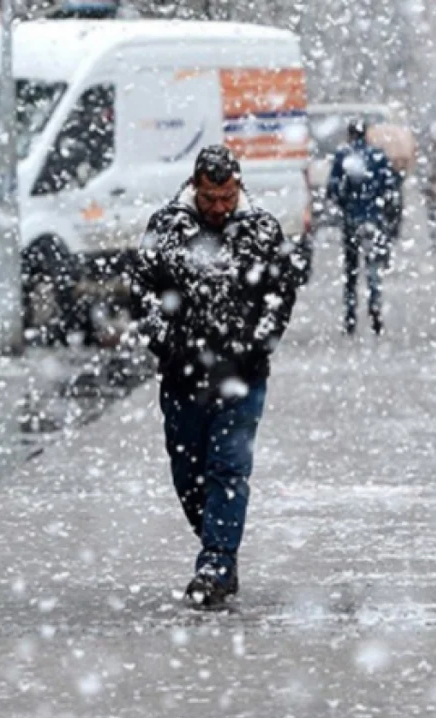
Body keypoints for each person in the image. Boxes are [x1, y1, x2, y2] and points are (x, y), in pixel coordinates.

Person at [130, 145, 303, 608]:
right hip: (184, 375)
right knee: (189, 474)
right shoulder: (166, 228)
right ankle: (217, 541)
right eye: (210, 199)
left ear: (238, 187)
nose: (219, 208)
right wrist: (165, 342)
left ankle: (216, 563)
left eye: (227, 198)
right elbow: (142, 289)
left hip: (241, 376)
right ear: (195, 188)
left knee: (228, 468)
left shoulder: (263, 230)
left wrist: (257, 345)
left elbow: (280, 296)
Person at [326, 120, 400, 336]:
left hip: (351, 219)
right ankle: (375, 310)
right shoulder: (378, 157)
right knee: (373, 267)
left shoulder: (343, 157)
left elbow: (334, 189)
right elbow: (390, 187)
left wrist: (345, 204)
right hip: (374, 219)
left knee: (350, 271)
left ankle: (350, 315)